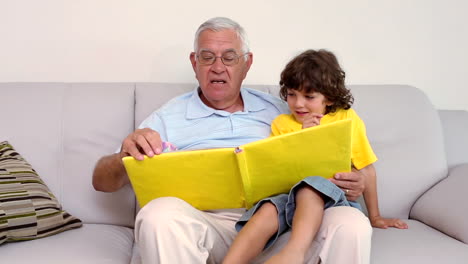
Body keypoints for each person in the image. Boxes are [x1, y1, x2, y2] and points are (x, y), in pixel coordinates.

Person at [92, 17, 372, 264]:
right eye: (207, 57)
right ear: (194, 62)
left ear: (246, 63)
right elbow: (101, 182)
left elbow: (326, 157)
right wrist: (123, 156)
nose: (217, 67)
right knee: (158, 214)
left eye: (229, 57)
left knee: (350, 223)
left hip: (280, 228)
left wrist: (354, 181)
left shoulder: (283, 110)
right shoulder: (168, 116)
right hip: (203, 228)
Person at [223, 49, 408, 264]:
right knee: (266, 209)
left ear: (329, 98)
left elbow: (366, 168)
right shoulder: (282, 124)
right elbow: (277, 167)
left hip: (328, 195)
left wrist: (375, 216)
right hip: (287, 196)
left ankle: (293, 253)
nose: (298, 103)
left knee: (311, 187)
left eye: (309, 97)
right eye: (292, 94)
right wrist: (302, 135)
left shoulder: (345, 119)